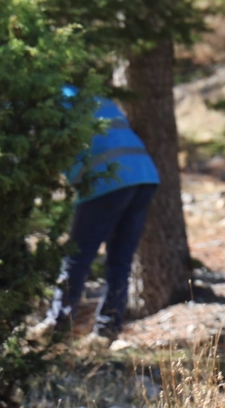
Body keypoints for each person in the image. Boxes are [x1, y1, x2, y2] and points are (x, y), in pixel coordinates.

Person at [38, 89, 162, 343]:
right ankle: (107, 330)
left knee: (77, 256)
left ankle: (57, 325)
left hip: (107, 180)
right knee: (120, 260)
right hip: (144, 176)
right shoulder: (95, 98)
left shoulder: (46, 106)